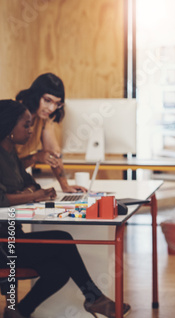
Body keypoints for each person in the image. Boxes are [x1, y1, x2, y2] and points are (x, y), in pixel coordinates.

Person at [0, 100, 131, 318]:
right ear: (8, 126)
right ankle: (94, 298)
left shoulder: (11, 154)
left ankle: (18, 311)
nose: (30, 130)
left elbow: (30, 183)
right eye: (26, 125)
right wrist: (33, 195)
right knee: (64, 240)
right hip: (4, 246)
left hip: (13, 236)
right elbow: (2, 199)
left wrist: (30, 192)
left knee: (58, 272)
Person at [15, 73, 86, 193]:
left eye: (57, 104)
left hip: (17, 180)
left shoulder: (43, 119)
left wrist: (65, 186)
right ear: (36, 96)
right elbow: (7, 168)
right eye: (47, 100)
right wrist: (36, 157)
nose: (52, 108)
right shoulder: (13, 114)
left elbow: (54, 155)